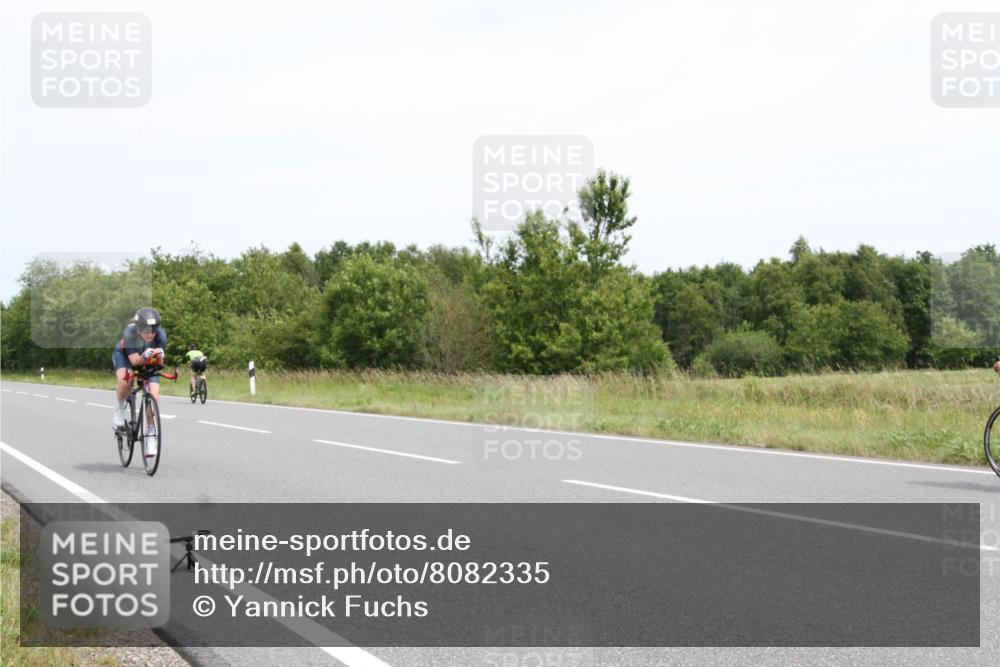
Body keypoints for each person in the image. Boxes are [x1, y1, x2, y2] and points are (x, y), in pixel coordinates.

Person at [112, 307, 167, 457]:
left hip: (147, 360)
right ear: (138, 328)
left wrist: (160, 356)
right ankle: (120, 409)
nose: (150, 334)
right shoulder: (129, 333)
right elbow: (135, 361)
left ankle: (151, 435)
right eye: (146, 330)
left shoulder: (161, 336)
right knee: (126, 381)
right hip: (126, 357)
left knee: (154, 396)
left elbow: (160, 363)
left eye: (153, 330)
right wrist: (145, 355)